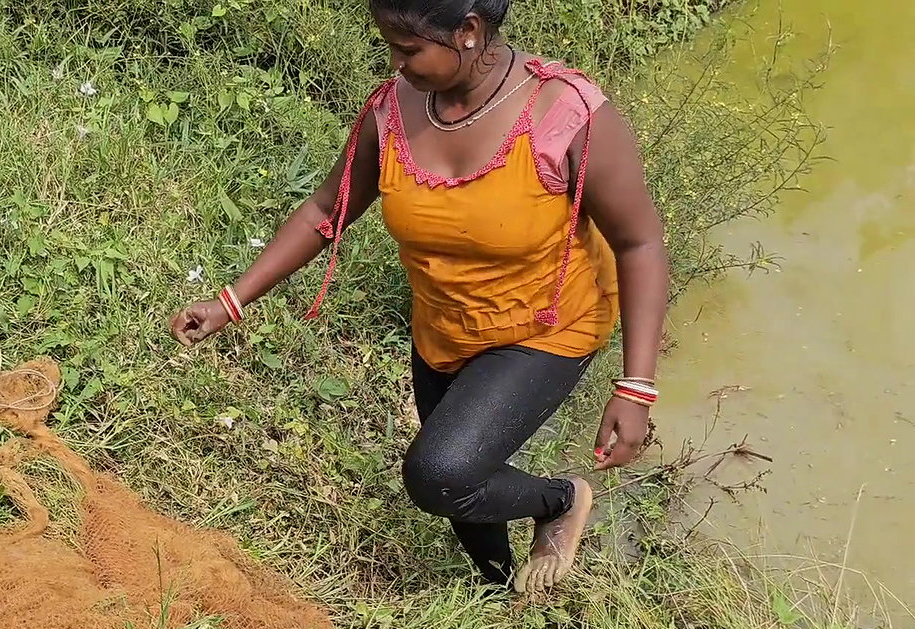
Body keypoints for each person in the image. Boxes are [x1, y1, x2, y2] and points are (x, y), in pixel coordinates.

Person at [170, 0, 670, 594]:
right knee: (461, 483)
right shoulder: (392, 114)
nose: (395, 63)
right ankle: (500, 590)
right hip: (444, 328)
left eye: (409, 49)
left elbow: (640, 244)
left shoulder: (566, 115)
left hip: (543, 329)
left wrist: (635, 386)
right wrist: (232, 301)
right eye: (391, 45)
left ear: (468, 32)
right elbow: (326, 210)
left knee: (440, 472)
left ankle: (559, 501)